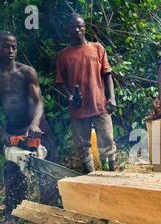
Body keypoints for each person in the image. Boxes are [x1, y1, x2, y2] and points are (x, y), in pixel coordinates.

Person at [0, 30, 59, 224]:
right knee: (14, 173)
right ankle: (14, 214)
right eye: (5, 46)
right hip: (13, 127)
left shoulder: (27, 72)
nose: (10, 50)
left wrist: (34, 123)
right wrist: (3, 134)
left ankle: (50, 211)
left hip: (36, 125)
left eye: (14, 47)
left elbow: (38, 102)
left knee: (47, 168)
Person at [56, 13, 117, 173]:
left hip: (99, 104)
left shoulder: (97, 48)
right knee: (82, 145)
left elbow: (107, 74)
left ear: (85, 27)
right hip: (78, 108)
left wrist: (111, 98)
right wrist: (70, 97)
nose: (76, 30)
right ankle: (91, 177)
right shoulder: (64, 55)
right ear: (68, 29)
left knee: (107, 140)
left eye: (80, 26)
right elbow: (61, 82)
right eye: (73, 27)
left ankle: (111, 172)